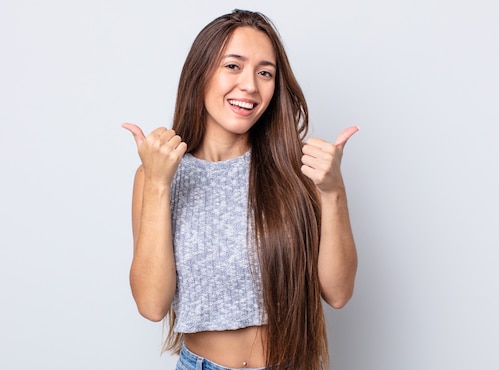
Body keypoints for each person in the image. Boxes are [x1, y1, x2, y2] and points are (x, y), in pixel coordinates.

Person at [123, 9, 358, 370]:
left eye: (265, 73)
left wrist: (333, 191)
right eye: (233, 66)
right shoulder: (158, 176)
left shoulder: (296, 170)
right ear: (200, 72)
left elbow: (338, 293)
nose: (250, 85)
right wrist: (157, 183)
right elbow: (152, 305)